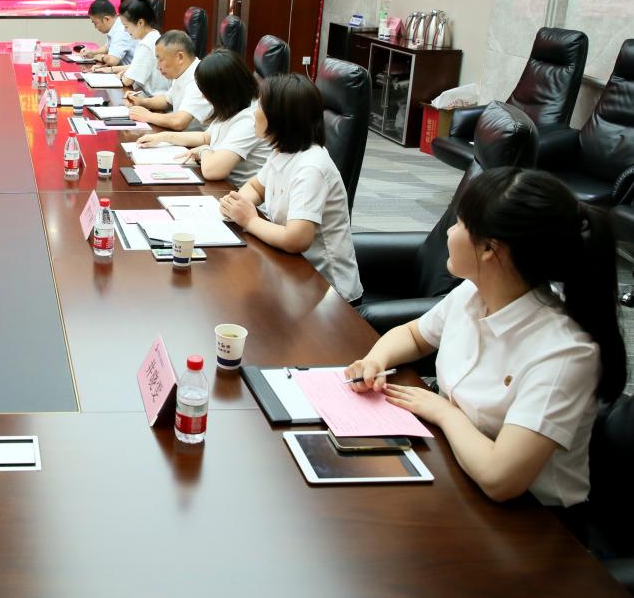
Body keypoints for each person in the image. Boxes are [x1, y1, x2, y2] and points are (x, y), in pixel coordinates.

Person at [345, 168, 626, 508]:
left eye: (459, 223)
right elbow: (414, 335)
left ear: (491, 249)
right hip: (457, 469)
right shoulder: (473, 293)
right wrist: (376, 360)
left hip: (532, 517)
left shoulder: (564, 353)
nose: (449, 232)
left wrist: (444, 412)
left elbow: (500, 479)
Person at [219, 73, 362, 302]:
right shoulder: (283, 150)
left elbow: (297, 239)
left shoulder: (311, 167)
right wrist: (237, 203)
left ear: (280, 117)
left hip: (328, 294)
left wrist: (249, 220)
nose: (254, 112)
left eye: (260, 106)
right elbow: (257, 187)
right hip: (291, 274)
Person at [138, 48, 272, 184]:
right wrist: (163, 137)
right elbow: (206, 137)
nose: (203, 96)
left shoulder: (249, 119)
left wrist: (204, 150)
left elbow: (212, 171)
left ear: (222, 92)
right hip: (221, 186)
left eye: (206, 91)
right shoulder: (233, 106)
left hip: (234, 190)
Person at [125, 30, 212, 131]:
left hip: (198, 138)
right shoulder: (183, 72)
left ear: (180, 57)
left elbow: (179, 121)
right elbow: (167, 100)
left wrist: (147, 115)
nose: (157, 66)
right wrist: (141, 101)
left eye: (160, 59)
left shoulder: (199, 78)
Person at [112, 0, 170, 95]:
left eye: (126, 26)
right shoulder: (153, 36)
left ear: (140, 23)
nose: (125, 30)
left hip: (153, 98)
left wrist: (123, 76)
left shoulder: (147, 44)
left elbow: (127, 81)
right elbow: (135, 67)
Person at [85, 0, 133, 67]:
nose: (95, 27)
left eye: (95, 23)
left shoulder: (121, 30)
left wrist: (101, 57)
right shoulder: (116, 26)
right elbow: (107, 47)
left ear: (106, 19)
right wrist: (92, 52)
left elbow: (112, 60)